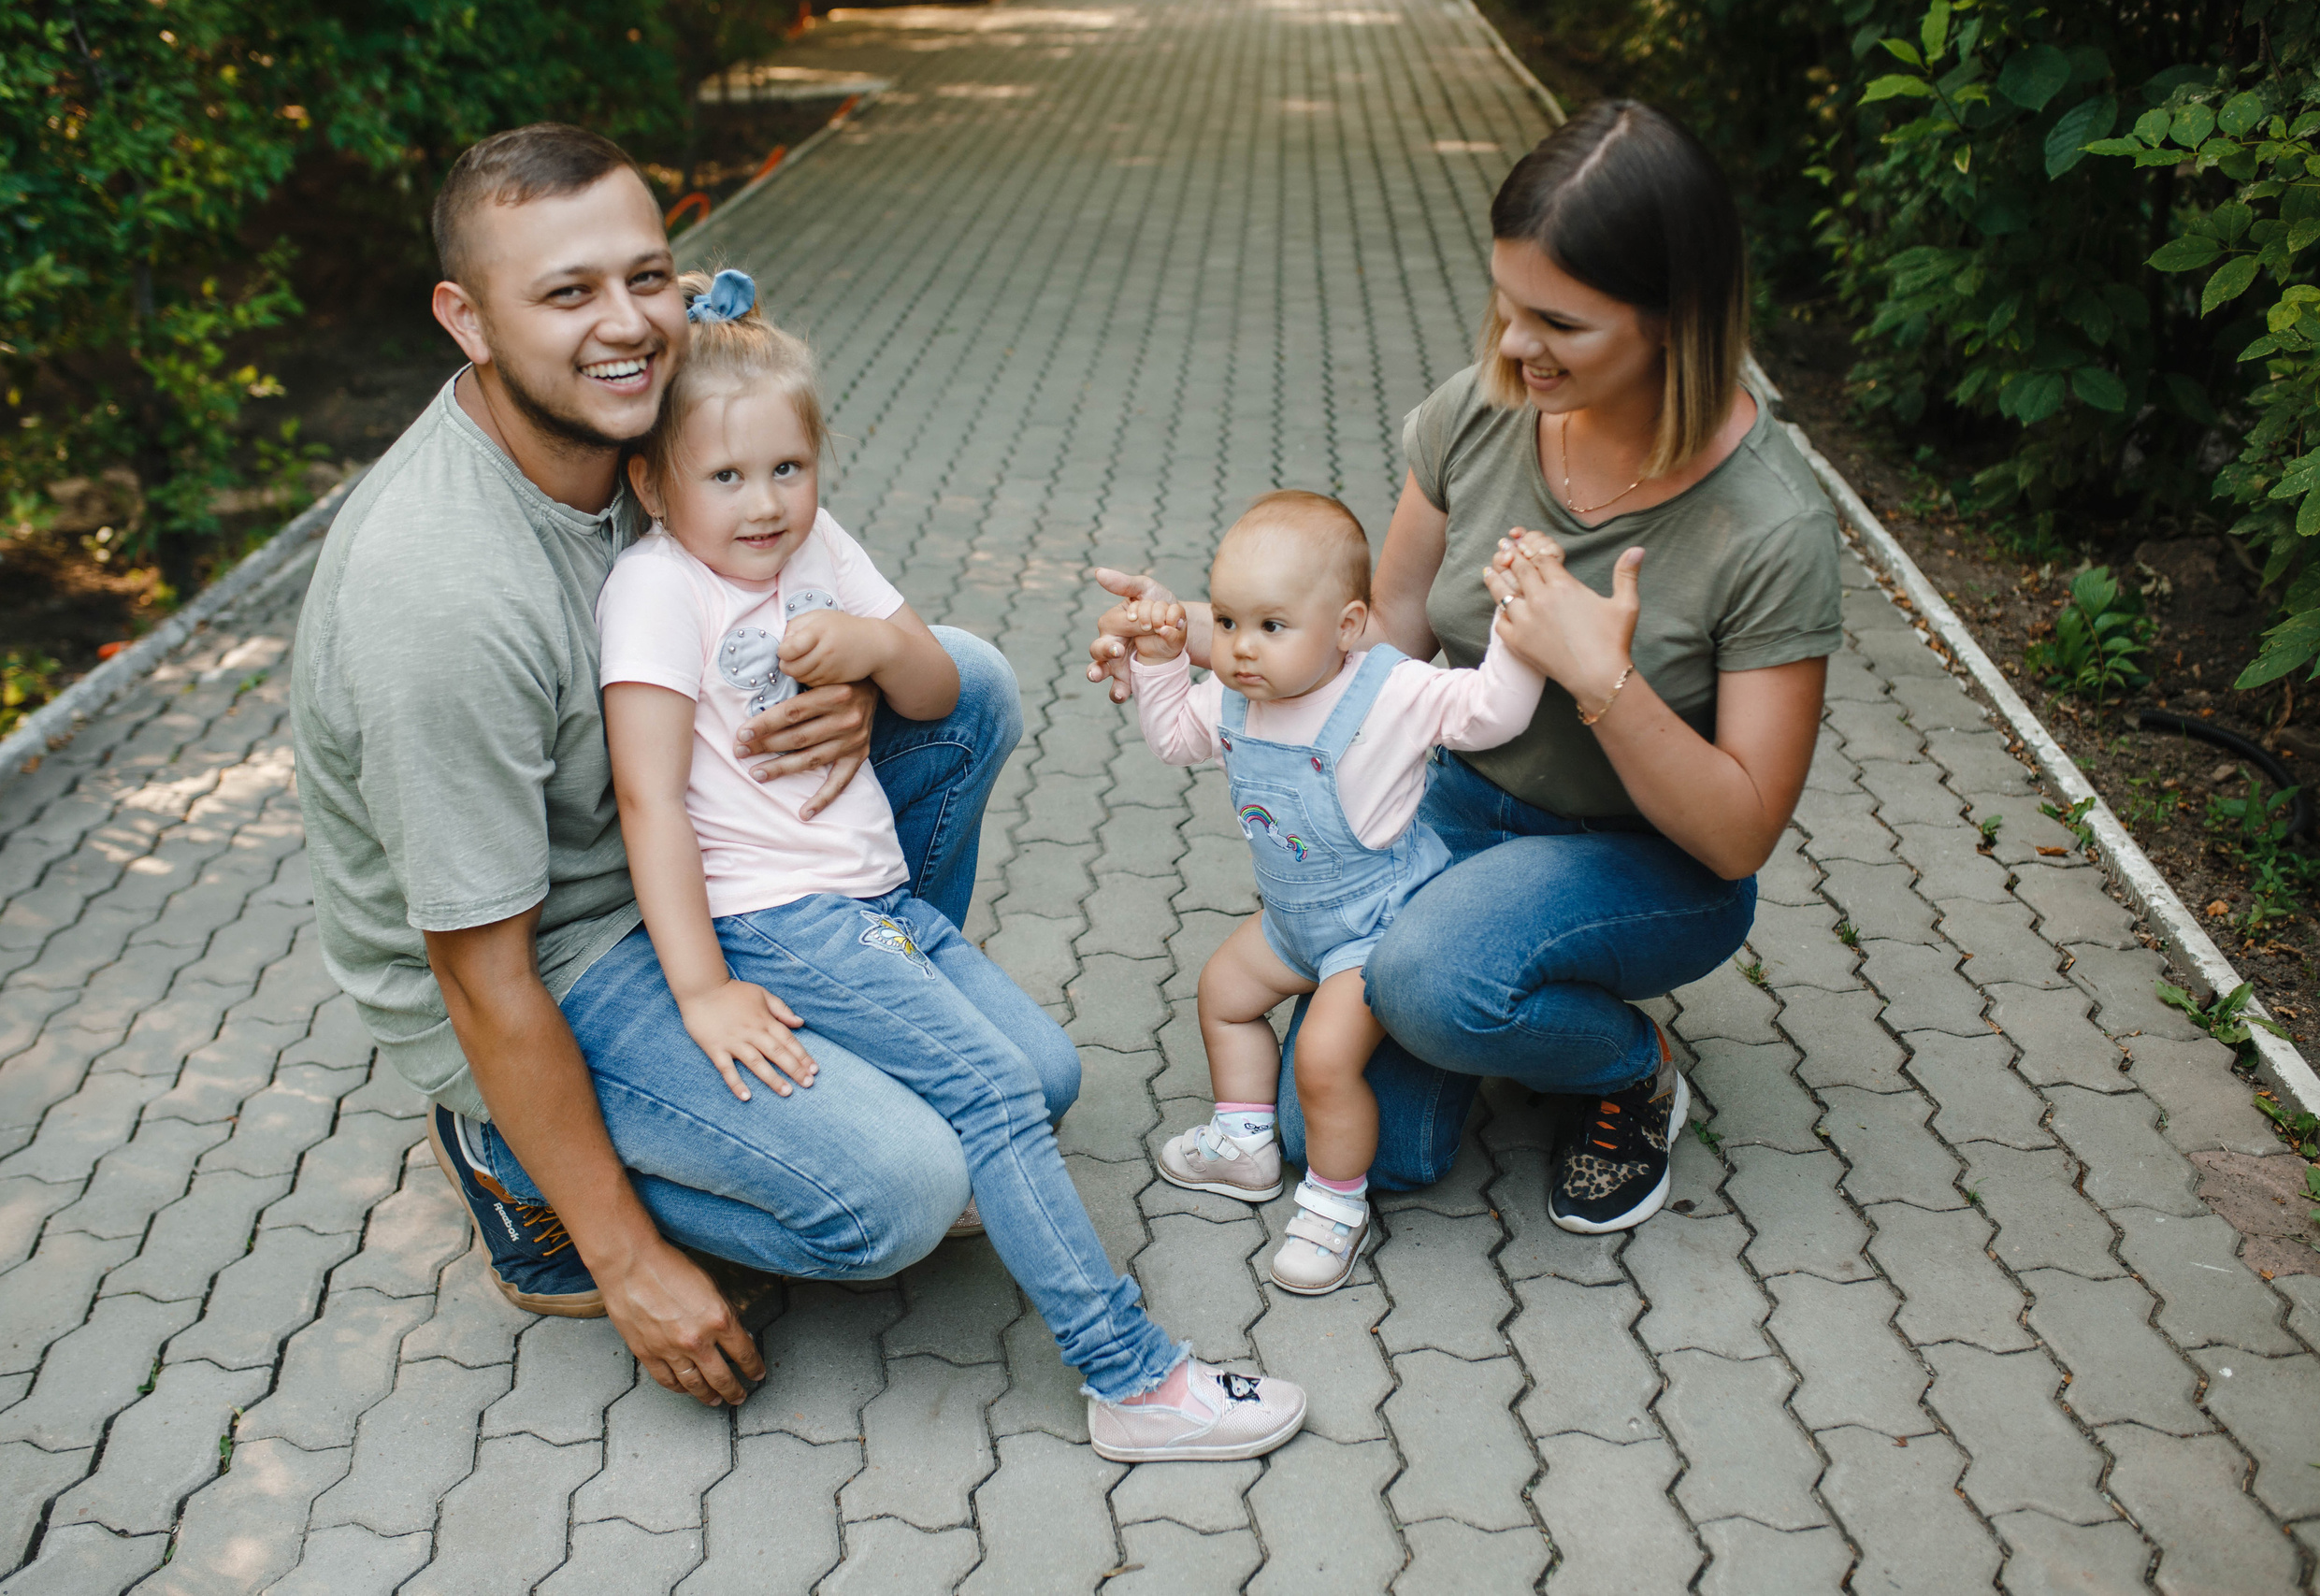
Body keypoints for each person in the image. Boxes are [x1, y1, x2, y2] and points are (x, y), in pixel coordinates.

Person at [295, 123, 1005, 1410]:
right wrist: (626, 1259)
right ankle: (519, 1157)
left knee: (965, 683)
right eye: (567, 293)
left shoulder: (659, 417)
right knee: (906, 1190)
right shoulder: (439, 595)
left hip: (691, 835)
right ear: (467, 319)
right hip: (554, 947)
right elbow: (479, 964)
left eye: (647, 274)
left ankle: (865, 1026)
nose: (626, 324)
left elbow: (816, 591)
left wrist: (844, 683)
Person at [1087, 101, 1841, 1234]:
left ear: (1672, 317)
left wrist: (1599, 677)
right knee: (1338, 1142)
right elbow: (1377, 631)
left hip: (1644, 861)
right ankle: (1489, 995)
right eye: (1505, 301)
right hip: (1455, 817)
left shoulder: (1769, 526)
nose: (1512, 345)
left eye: (1558, 322)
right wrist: (1194, 632)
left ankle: (1628, 1070)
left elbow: (1737, 835)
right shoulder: (1482, 412)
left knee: (1432, 982)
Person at [594, 266, 1305, 1459]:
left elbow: (934, 691)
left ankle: (951, 1153)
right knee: (991, 1092)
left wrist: (874, 642)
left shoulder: (814, 545)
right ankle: (1131, 1378)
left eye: (787, 467)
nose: (764, 503)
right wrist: (703, 984)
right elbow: (645, 800)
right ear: (652, 484)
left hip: (875, 904)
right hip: (779, 923)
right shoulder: (658, 591)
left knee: (1041, 1075)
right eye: (723, 476)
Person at [1102, 492, 1538, 1293]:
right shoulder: (1238, 694)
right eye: (1227, 622)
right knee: (1223, 992)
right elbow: (1172, 739)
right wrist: (1163, 658)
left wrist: (1519, 634)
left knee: (1325, 1059)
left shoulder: (1391, 693)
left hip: (1377, 926)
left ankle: (1336, 1204)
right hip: (1291, 920)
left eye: (1271, 626)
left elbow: (1492, 711)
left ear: (1346, 627)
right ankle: (1244, 1142)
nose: (1239, 649)